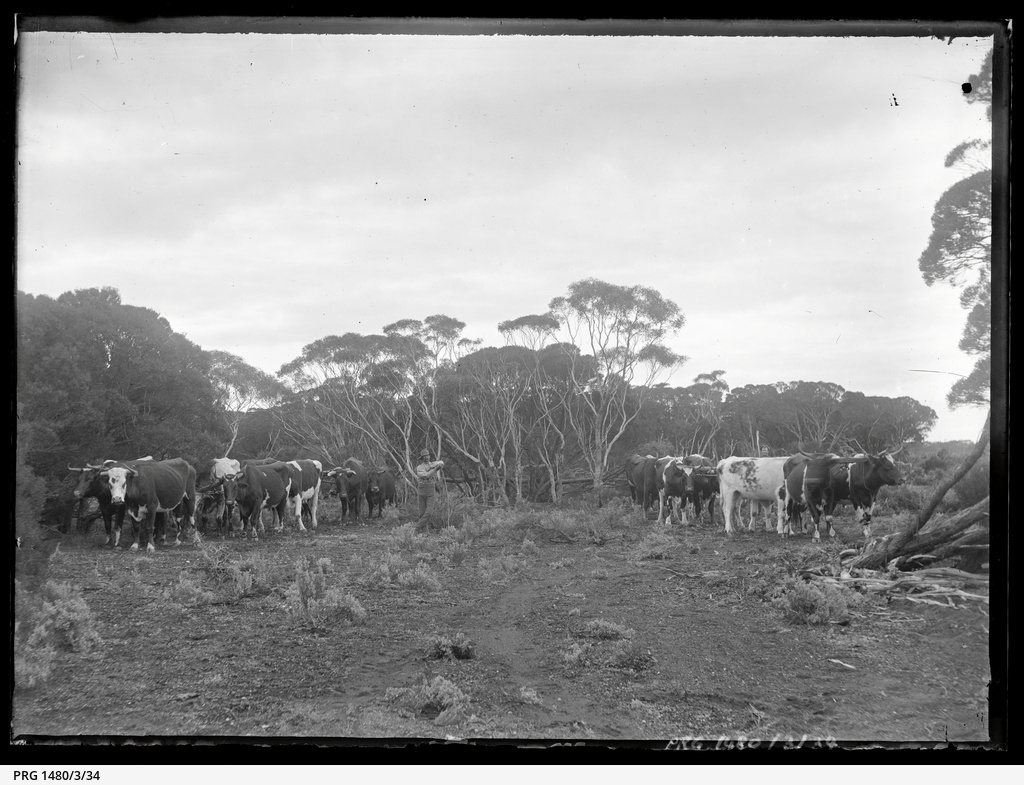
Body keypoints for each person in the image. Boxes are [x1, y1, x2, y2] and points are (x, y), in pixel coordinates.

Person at [415, 448, 445, 526]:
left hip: (431, 490)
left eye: (427, 455)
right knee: (422, 513)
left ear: (429, 456)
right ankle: (424, 530)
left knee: (429, 512)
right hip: (422, 490)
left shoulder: (432, 464)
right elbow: (426, 476)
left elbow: (441, 463)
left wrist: (435, 466)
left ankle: (417, 527)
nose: (426, 457)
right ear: (422, 458)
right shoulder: (419, 468)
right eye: (424, 456)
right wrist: (435, 469)